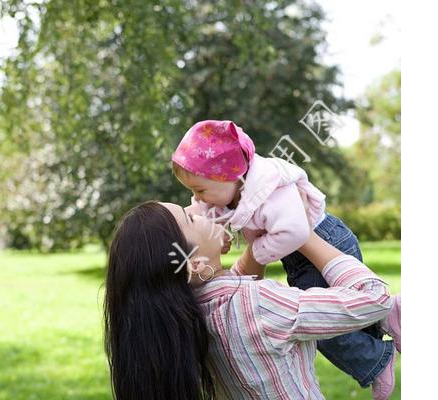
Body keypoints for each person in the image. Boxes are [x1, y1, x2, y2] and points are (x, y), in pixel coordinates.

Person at [171, 120, 401, 398]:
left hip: (322, 240)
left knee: (325, 330)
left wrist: (255, 251)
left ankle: (377, 359)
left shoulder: (271, 190)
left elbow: (296, 231)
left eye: (200, 190)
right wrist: (212, 228)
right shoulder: (229, 189)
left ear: (231, 177)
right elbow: (204, 213)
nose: (197, 199)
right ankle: (390, 315)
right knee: (326, 317)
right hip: (296, 253)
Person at [103, 201, 400, 399]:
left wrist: (259, 243)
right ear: (193, 264)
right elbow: (374, 298)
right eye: (191, 217)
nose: (201, 207)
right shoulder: (259, 305)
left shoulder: (189, 315)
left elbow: (234, 284)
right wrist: (303, 234)